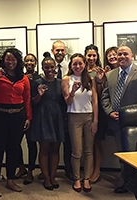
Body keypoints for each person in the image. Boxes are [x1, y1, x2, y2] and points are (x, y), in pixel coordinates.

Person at [101, 45, 137, 193]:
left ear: (132, 56)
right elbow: (105, 97)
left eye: (125, 54)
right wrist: (110, 112)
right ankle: (126, 183)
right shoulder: (110, 75)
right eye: (119, 54)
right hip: (116, 121)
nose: (122, 57)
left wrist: (130, 114)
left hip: (135, 123)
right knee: (122, 155)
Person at [0, 48, 32, 197]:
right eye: (7, 59)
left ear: (18, 61)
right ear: (3, 60)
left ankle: (10, 180)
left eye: (13, 59)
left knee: (13, 149)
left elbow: (27, 99)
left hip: (17, 116)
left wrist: (29, 117)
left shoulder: (23, 78)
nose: (10, 62)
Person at [61, 53, 98, 193]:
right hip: (73, 117)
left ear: (85, 65)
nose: (77, 66)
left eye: (80, 64)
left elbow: (94, 102)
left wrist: (95, 120)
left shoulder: (90, 79)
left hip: (89, 116)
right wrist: (73, 91)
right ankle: (77, 179)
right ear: (71, 65)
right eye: (75, 64)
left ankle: (86, 179)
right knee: (77, 151)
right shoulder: (66, 79)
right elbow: (68, 102)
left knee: (89, 150)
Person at [29, 52, 66, 190]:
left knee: (55, 148)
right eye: (46, 67)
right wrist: (39, 95)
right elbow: (33, 103)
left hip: (57, 118)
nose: (49, 70)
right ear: (42, 68)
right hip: (43, 118)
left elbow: (64, 101)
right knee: (44, 149)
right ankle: (45, 178)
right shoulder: (37, 82)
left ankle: (52, 176)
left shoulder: (60, 82)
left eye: (51, 67)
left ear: (55, 68)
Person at [14, 53, 41, 185]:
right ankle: (21, 167)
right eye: (27, 60)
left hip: (34, 115)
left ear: (36, 63)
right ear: (23, 63)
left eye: (32, 61)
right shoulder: (19, 77)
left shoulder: (40, 78)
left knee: (31, 143)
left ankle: (30, 171)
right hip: (19, 114)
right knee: (15, 142)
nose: (29, 63)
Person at [84, 44, 108, 183]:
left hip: (97, 110)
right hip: (84, 110)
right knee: (88, 143)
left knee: (96, 141)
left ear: (97, 56)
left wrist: (99, 80)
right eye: (89, 55)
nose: (91, 58)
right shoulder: (81, 70)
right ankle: (89, 168)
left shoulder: (101, 71)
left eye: (94, 55)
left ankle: (97, 169)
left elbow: (104, 92)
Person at [51, 40, 73, 181]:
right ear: (52, 51)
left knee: (68, 142)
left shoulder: (70, 69)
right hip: (52, 108)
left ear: (65, 52)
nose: (59, 52)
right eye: (57, 50)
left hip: (68, 108)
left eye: (62, 50)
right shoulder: (46, 68)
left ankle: (69, 170)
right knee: (50, 140)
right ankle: (48, 171)